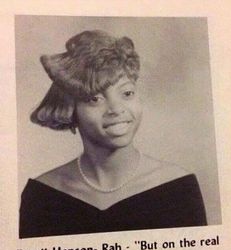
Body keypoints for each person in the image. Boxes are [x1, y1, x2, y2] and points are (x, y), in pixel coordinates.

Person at [19, 30, 207, 238]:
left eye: (127, 93)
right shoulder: (42, 195)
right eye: (94, 99)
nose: (116, 109)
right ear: (70, 110)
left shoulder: (179, 188)